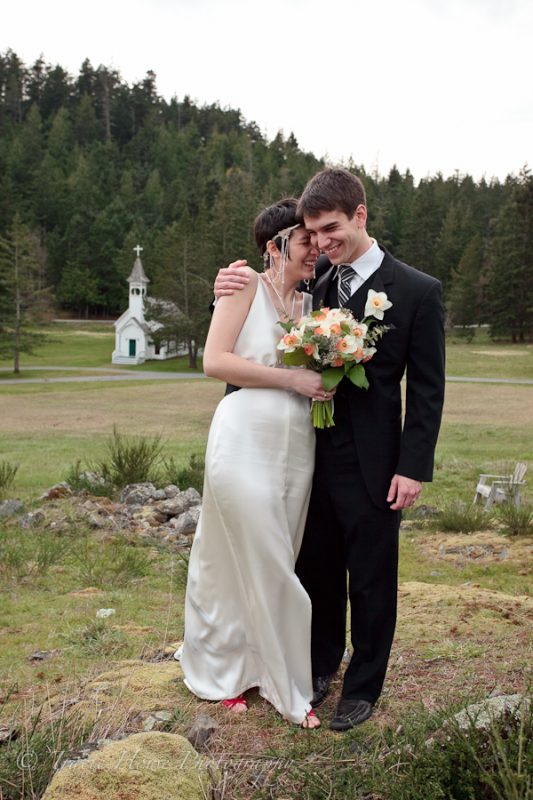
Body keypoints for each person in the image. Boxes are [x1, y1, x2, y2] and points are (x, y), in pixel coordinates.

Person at [214, 167, 445, 731]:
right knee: (316, 570)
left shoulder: (416, 290)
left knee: (369, 577)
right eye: (314, 233)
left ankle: (363, 686)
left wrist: (412, 469)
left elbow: (428, 390)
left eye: (331, 229)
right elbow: (265, 315)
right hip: (306, 455)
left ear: (360, 215)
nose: (321, 242)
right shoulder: (314, 285)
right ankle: (319, 667)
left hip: (375, 463)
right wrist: (231, 279)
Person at [180, 198, 332, 728]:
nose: (316, 247)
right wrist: (293, 378)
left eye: (318, 237)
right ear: (274, 246)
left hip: (296, 450)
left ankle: (249, 669)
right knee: (250, 555)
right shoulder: (242, 284)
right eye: (306, 238)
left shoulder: (317, 301)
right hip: (243, 438)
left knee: (272, 555)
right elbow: (215, 360)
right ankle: (275, 683)